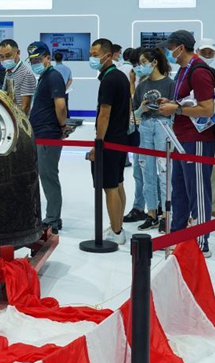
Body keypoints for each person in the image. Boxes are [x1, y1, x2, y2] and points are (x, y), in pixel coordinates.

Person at [157, 30, 215, 257]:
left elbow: (207, 108)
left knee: (198, 190)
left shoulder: (199, 71)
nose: (167, 52)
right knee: (179, 188)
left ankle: (202, 242)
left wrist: (177, 108)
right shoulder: (184, 70)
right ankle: (178, 235)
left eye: (169, 48)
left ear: (180, 48)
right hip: (181, 137)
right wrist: (172, 103)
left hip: (198, 139)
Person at [88, 38, 131, 245]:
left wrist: (98, 142)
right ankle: (118, 226)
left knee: (109, 187)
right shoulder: (120, 77)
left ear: (107, 55)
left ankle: (116, 232)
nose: (92, 58)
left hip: (110, 140)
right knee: (118, 183)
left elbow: (104, 114)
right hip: (120, 138)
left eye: (95, 54)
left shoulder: (109, 80)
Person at [28, 41, 70, 233]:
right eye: (32, 60)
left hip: (48, 134)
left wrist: (62, 126)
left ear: (47, 57)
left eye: (38, 58)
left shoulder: (53, 77)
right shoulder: (44, 77)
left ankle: (52, 219)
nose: (35, 62)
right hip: (40, 133)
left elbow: (60, 106)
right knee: (44, 176)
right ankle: (51, 217)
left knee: (48, 176)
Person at [132, 48, 175, 233]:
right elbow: (134, 114)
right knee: (146, 171)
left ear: (154, 62)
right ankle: (151, 213)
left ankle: (167, 215)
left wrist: (166, 106)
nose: (140, 66)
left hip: (164, 126)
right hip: (146, 126)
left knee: (165, 170)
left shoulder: (170, 83)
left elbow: (176, 108)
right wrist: (142, 108)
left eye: (143, 62)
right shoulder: (141, 86)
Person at [193, 38, 215, 218]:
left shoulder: (213, 74)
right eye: (204, 51)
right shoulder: (190, 72)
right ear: (197, 51)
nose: (207, 55)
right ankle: (196, 208)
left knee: (214, 168)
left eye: (210, 52)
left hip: (209, 127)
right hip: (191, 129)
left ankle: (214, 206)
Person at [0, 39, 36, 114]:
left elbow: (25, 107)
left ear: (18, 53)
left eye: (8, 55)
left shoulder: (26, 74)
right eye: (1, 57)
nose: (5, 59)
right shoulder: (8, 71)